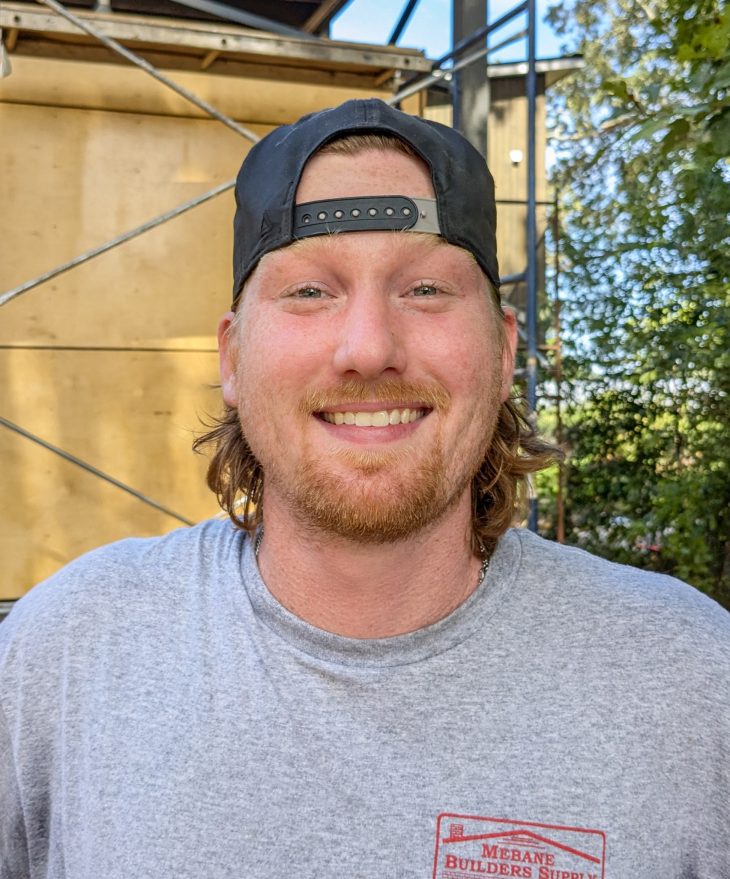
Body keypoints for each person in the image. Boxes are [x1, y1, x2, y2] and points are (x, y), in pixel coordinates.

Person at [1, 99, 728, 879]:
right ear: (233, 356)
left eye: (424, 290)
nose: (369, 347)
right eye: (311, 291)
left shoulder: (690, 680)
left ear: (504, 349)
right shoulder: (67, 651)